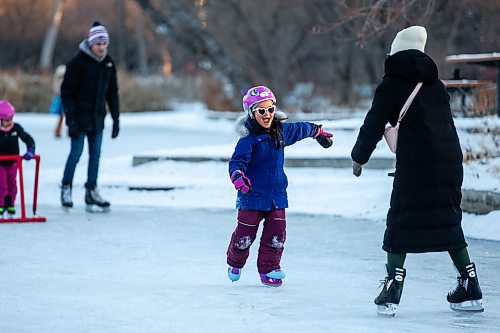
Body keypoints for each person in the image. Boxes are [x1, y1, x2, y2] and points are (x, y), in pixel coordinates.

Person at [350, 26, 483, 316]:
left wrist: (359, 157)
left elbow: (374, 123)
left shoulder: (392, 83)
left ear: (395, 51)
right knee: (448, 221)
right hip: (449, 160)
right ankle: (470, 284)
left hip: (417, 162)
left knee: (401, 220)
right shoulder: (435, 84)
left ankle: (392, 287)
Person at [226, 85, 333, 287]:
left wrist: (317, 131)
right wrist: (238, 177)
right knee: (244, 235)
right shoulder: (248, 140)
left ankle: (269, 269)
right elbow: (236, 163)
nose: (267, 115)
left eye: (270, 109)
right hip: (251, 196)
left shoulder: (279, 132)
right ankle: (235, 262)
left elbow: (300, 129)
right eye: (261, 111)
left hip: (276, 196)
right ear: (251, 113)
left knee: (276, 234)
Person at [60, 21, 120, 211]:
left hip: (97, 118)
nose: (101, 48)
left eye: (104, 44)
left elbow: (112, 93)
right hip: (78, 118)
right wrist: (71, 119)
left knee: (95, 155)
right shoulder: (77, 64)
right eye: (98, 44)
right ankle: (66, 187)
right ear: (90, 43)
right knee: (76, 154)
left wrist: (116, 119)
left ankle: (91, 191)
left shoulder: (108, 64)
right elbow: (67, 93)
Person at [0, 100, 36, 217]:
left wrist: (30, 150)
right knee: (2, 185)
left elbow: (28, 139)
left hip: (14, 162)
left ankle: (10, 204)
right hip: (1, 163)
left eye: (11, 118)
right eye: (6, 120)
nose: (9, 122)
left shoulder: (16, 128)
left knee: (13, 185)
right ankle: (1, 205)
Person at [49, 64, 66, 138]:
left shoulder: (64, 80)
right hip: (61, 99)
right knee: (61, 116)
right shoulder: (57, 81)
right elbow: (56, 90)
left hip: (65, 98)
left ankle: (61, 131)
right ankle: (58, 131)